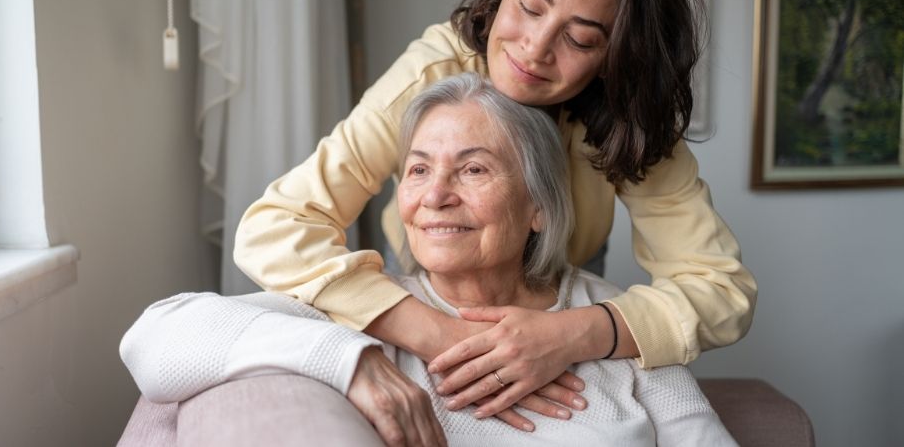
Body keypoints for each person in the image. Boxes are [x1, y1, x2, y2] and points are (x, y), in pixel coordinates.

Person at [233, 0, 757, 425]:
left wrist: (575, 333)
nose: (534, 49)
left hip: (565, 288)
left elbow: (721, 290)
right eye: (529, 7)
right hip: (422, 281)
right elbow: (275, 227)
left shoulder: (631, 118)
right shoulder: (432, 73)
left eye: (579, 39)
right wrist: (436, 333)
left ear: (617, 56)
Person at [121, 74, 737, 446]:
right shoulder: (365, 312)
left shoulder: (611, 319)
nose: (435, 195)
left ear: (538, 207)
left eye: (473, 169)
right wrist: (352, 362)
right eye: (418, 170)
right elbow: (153, 337)